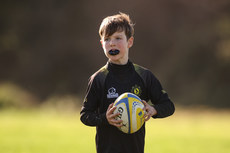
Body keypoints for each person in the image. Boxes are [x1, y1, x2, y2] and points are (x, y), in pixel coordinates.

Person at [80, 12, 175, 153]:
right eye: (107, 39)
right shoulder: (98, 78)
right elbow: (85, 115)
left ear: (129, 42)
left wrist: (154, 110)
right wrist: (104, 118)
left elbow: (168, 106)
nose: (112, 43)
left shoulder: (144, 76)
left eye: (118, 38)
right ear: (102, 44)